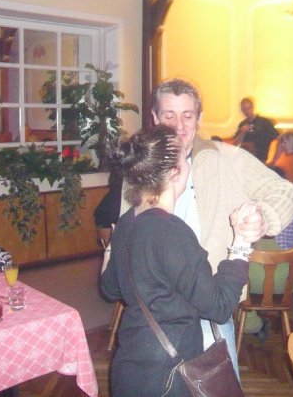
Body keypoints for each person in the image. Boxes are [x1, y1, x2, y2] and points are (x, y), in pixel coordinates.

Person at [140, 77, 293, 376]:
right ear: (154, 117)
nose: (178, 126)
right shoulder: (141, 165)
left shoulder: (227, 158)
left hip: (208, 302)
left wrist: (264, 217)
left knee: (218, 386)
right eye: (169, 115)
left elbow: (286, 192)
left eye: (187, 116)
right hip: (152, 305)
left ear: (199, 118)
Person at [100, 125, 260, 396]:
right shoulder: (171, 231)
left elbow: (110, 288)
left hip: (131, 363)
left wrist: (111, 248)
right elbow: (220, 307)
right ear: (175, 173)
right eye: (186, 159)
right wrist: (242, 244)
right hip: (168, 374)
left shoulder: (127, 221)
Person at [242, 194, 293, 347]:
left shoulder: (245, 198)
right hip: (288, 278)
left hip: (250, 279)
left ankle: (251, 324)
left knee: (237, 279)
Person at [233, 97, 279, 162]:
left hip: (261, 156)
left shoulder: (264, 122)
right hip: (245, 156)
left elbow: (276, 137)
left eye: (248, 108)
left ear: (252, 107)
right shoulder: (242, 124)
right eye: (244, 109)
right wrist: (242, 132)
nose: (246, 111)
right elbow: (235, 144)